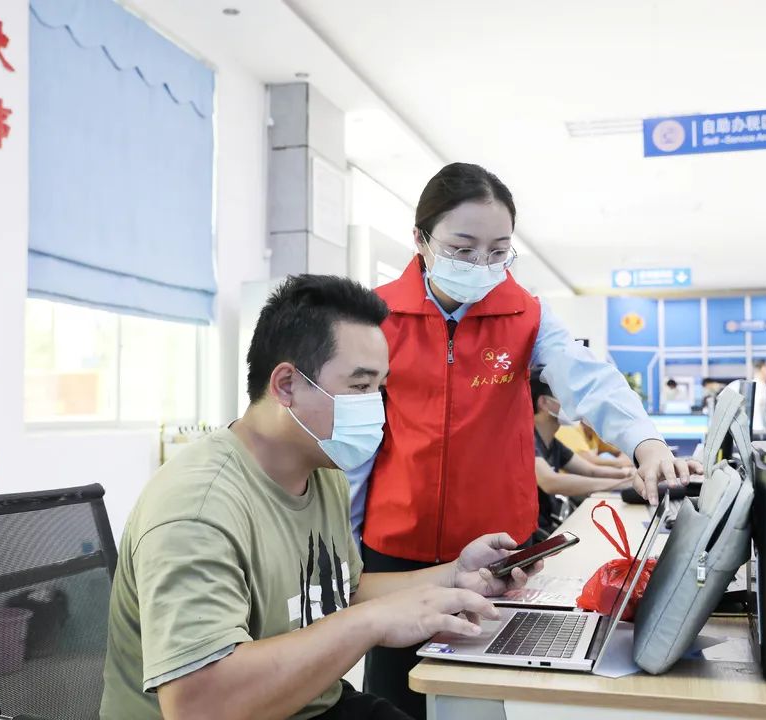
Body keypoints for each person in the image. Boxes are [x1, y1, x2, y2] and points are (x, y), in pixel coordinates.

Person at [100, 275, 538, 720]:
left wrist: (455, 576)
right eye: (360, 386)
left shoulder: (320, 468)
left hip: (310, 706)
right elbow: (199, 706)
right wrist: (374, 623)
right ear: (286, 385)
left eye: (381, 388)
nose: (378, 406)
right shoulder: (196, 507)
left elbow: (338, 592)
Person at [350, 162, 701, 717]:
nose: (482, 265)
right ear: (420, 239)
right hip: (396, 550)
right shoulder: (373, 317)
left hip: (495, 549)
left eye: (498, 250)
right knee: (391, 699)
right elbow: (352, 447)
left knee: (476, 699)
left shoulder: (526, 315)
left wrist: (647, 444)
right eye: (463, 248)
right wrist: (345, 547)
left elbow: (589, 379)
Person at [530, 370, 634, 537]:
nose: (573, 406)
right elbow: (550, 482)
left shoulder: (552, 443)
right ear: (544, 402)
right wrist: (619, 484)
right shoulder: (527, 441)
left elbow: (591, 470)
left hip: (547, 526)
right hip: (532, 535)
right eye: (565, 398)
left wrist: (629, 475)